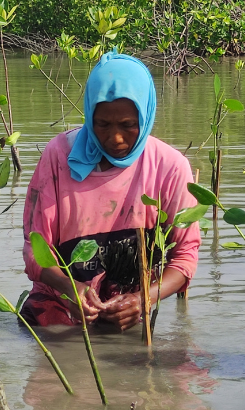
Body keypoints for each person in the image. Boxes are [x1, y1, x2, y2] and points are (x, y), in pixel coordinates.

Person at [20, 51, 201, 330]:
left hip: (131, 312)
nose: (115, 138)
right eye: (102, 124)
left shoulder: (170, 167)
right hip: (59, 306)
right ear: (89, 113)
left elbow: (185, 258)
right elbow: (35, 249)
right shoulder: (58, 157)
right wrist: (69, 287)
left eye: (128, 126)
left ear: (146, 115)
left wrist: (143, 300)